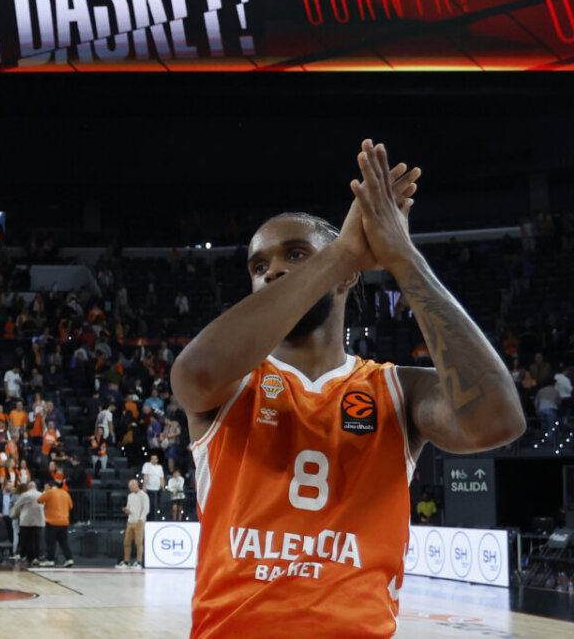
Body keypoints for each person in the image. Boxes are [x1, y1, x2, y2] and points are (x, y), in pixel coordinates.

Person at [171, 141, 526, 638]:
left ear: (348, 280)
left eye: (295, 254)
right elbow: (192, 376)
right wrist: (338, 254)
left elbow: (499, 422)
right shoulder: (232, 381)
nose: (272, 270)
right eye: (258, 266)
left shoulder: (399, 389)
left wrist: (403, 257)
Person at [36, 480, 74, 567]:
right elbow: (71, 506)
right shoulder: (65, 493)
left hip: (52, 521)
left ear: (50, 486)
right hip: (64, 521)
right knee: (64, 542)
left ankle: (50, 559)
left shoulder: (50, 492)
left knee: (51, 542)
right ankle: (69, 559)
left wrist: (45, 492)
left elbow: (39, 500)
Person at [10, 480, 44, 565]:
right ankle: (35, 557)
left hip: (26, 521)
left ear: (28, 487)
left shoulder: (25, 495)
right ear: (35, 487)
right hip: (39, 521)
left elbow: (17, 505)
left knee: (25, 540)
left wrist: (13, 515)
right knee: (36, 540)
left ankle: (24, 556)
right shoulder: (41, 494)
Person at [118, 478, 148, 569]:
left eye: (131, 487)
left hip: (139, 522)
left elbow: (146, 509)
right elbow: (129, 507)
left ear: (136, 485)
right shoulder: (130, 496)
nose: (130, 489)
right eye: (129, 487)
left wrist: (141, 519)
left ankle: (139, 562)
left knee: (138, 542)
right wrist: (127, 510)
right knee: (126, 542)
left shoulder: (143, 495)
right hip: (130, 521)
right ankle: (126, 561)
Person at [141, 453, 164, 521]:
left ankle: (155, 520)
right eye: (152, 459)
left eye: (155, 459)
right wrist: (144, 487)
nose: (153, 460)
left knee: (156, 506)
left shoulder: (159, 467)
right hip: (149, 489)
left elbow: (161, 477)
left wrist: (163, 486)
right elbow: (146, 476)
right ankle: (149, 520)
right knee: (149, 506)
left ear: (157, 460)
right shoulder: (147, 465)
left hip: (157, 490)